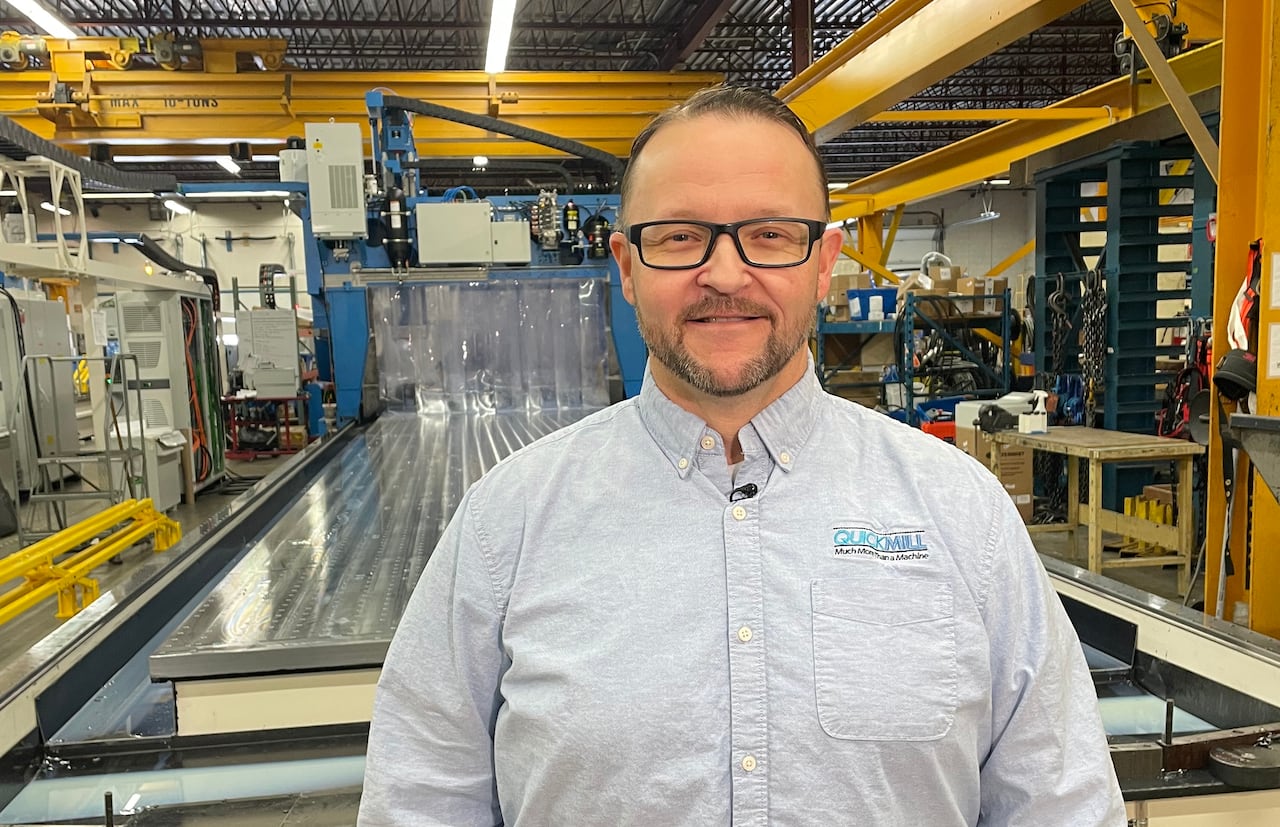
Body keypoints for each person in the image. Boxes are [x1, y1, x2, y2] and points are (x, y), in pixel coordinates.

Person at [358, 85, 1125, 826]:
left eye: (769, 234)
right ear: (626, 266)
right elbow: (421, 797)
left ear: (823, 264)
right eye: (680, 236)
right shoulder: (508, 525)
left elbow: (1058, 804)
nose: (724, 275)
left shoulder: (962, 514)